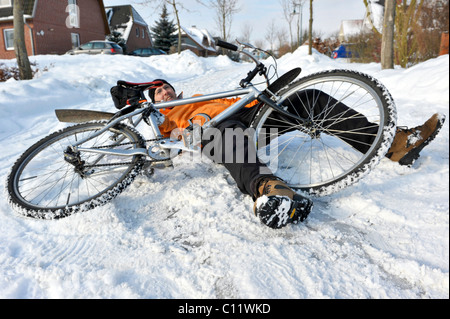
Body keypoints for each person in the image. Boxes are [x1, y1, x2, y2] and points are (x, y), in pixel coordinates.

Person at [148, 79, 445, 229]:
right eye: (158, 93)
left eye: (167, 88)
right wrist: (176, 131)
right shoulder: (165, 118)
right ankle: (269, 191)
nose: (164, 93)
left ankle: (394, 146)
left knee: (310, 99)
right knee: (228, 136)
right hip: (214, 132)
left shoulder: (201, 97)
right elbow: (165, 146)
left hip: (251, 116)